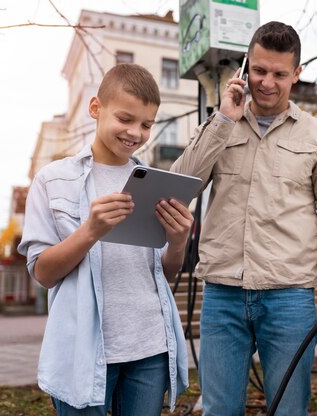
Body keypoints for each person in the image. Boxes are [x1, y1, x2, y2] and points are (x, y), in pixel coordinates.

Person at [171, 21, 317, 415]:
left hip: (289, 295)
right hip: (222, 292)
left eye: (278, 73)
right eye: (258, 71)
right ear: (245, 67)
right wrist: (222, 120)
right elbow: (180, 186)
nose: (267, 82)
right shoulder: (220, 123)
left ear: (296, 74)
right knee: (219, 410)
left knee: (288, 410)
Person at [18, 63, 192, 415]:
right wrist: (90, 232)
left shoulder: (154, 183)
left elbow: (165, 273)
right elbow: (43, 272)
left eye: (146, 124)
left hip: (150, 348)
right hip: (84, 349)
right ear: (96, 108)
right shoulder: (53, 181)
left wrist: (177, 243)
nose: (135, 133)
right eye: (125, 119)